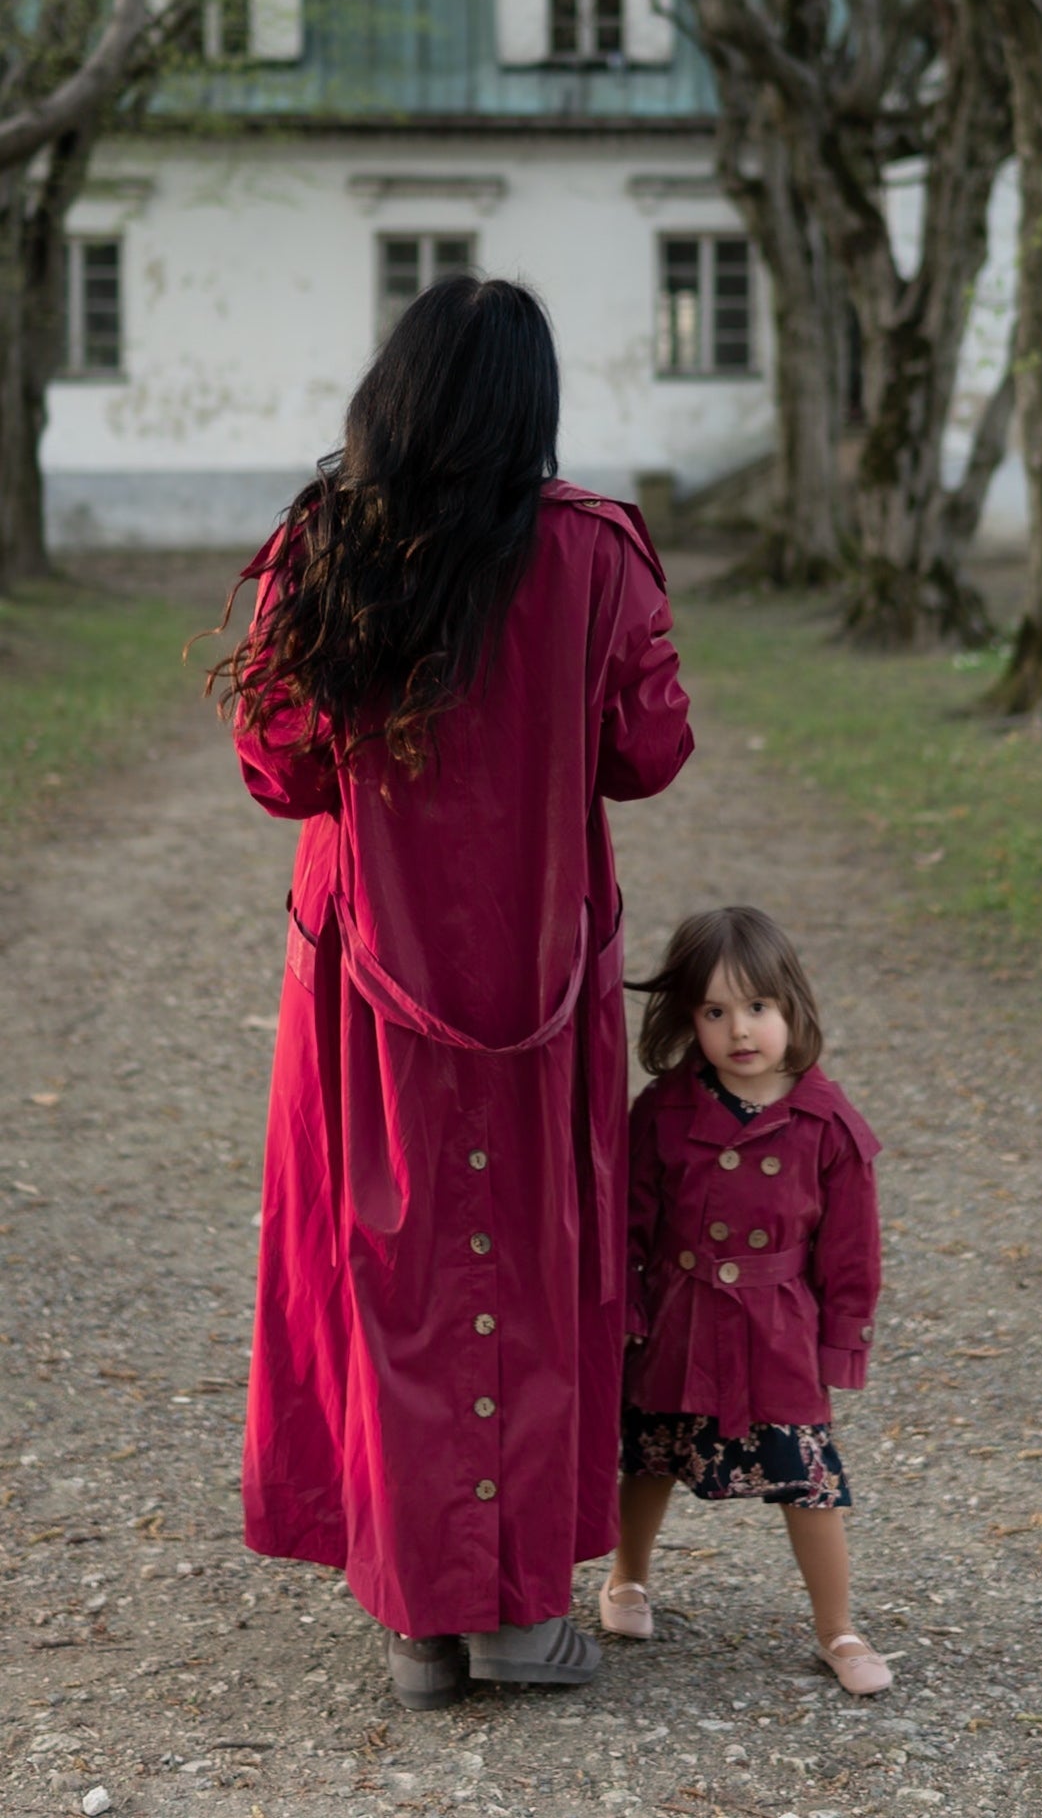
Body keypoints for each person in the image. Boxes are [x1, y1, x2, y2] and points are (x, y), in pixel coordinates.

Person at [208, 275, 693, 1707]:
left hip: (367, 966)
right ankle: (509, 1616)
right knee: (530, 1258)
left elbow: (277, 771)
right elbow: (650, 749)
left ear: (394, 394)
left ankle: (419, 1613)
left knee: (384, 1254)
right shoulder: (594, 551)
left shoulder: (324, 546)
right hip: (535, 957)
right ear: (530, 407)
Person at [601, 904, 891, 1695]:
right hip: (678, 1318)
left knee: (808, 1475)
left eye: (758, 1007)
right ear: (688, 1019)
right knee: (649, 1455)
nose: (740, 1031)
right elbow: (631, 1221)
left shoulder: (826, 1124)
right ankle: (627, 1577)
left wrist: (843, 1341)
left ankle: (838, 1625)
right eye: (715, 1011)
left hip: (777, 1329)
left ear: (792, 1008)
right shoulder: (663, 1111)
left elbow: (852, 1250)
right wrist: (626, 1308)